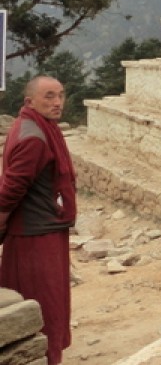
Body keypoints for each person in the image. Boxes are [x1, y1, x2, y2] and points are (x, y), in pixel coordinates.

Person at [0, 76, 77, 365]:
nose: (57, 102)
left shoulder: (37, 127)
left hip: (44, 227)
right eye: (48, 96)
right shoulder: (34, 136)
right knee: (43, 301)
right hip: (34, 235)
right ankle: (42, 356)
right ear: (29, 102)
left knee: (50, 299)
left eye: (60, 95)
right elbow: (11, 188)